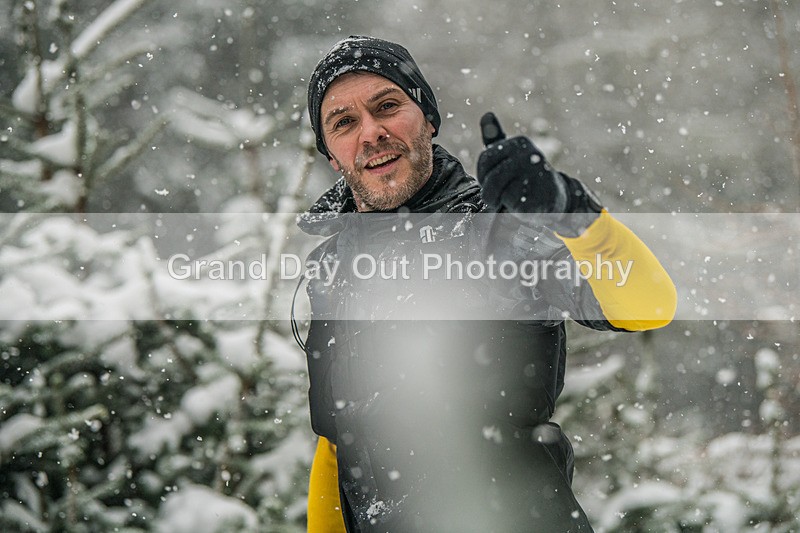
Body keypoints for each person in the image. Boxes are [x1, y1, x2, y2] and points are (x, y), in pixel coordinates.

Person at [294, 35, 677, 532]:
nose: (372, 133)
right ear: (331, 155)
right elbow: (337, 438)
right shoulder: (333, 268)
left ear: (427, 118)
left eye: (387, 106)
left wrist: (573, 213)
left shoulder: (497, 229)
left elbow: (649, 306)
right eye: (344, 123)